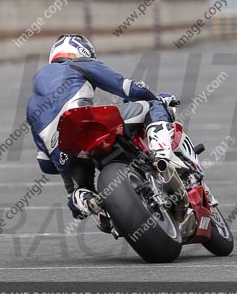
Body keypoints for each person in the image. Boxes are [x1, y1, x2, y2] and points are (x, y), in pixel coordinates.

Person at [26, 34, 182, 233]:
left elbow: (46, 164)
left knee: (76, 189)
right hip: (83, 121)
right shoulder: (79, 64)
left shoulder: (31, 105)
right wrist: (156, 97)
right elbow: (128, 88)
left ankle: (85, 200)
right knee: (153, 106)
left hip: (64, 148)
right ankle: (161, 156)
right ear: (83, 51)